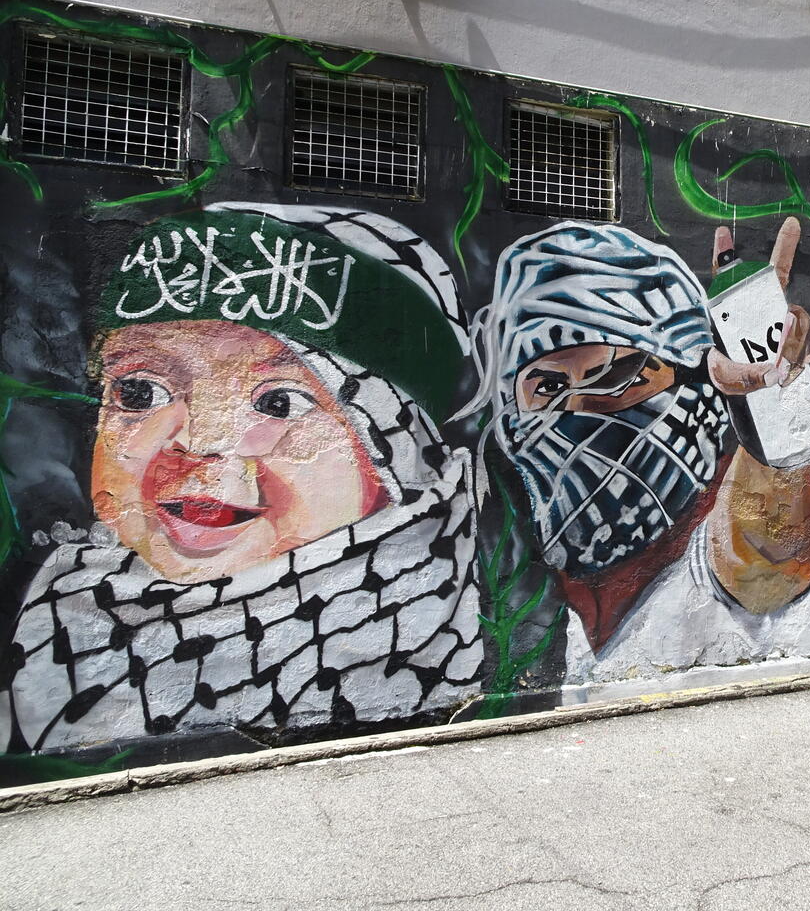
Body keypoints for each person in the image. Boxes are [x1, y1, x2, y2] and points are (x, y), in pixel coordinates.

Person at [4, 203, 485, 752]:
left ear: (393, 453)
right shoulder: (62, 612)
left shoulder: (419, 646)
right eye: (139, 392)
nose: (199, 443)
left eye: (280, 402)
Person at [477, 218, 810, 699]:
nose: (579, 409)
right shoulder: (571, 593)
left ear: (691, 380)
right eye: (548, 386)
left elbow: (767, 559)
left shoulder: (723, 545)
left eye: (616, 374)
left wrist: (775, 390)